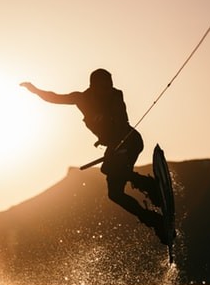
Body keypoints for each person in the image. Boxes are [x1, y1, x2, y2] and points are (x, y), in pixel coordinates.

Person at [20, 68, 167, 244]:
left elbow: (120, 121)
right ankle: (154, 220)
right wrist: (36, 91)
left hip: (130, 142)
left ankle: (150, 186)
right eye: (105, 86)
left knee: (112, 169)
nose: (109, 89)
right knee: (114, 193)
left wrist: (115, 146)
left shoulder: (116, 96)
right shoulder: (81, 98)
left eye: (110, 85)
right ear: (93, 86)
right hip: (115, 147)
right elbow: (55, 97)